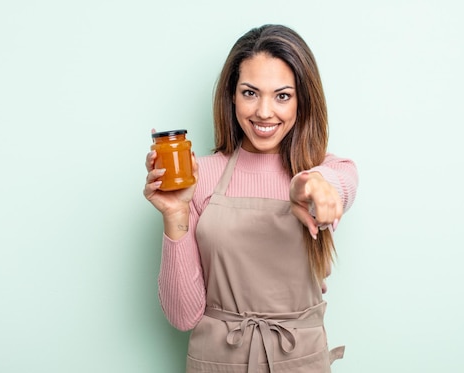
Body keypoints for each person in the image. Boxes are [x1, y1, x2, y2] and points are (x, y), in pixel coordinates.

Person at [143, 24, 358, 373]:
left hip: (299, 361)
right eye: (250, 93)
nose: (264, 112)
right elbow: (183, 316)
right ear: (232, 95)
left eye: (282, 96)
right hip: (217, 362)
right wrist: (175, 212)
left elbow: (340, 183)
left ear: (302, 101)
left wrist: (316, 186)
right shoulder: (201, 176)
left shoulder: (326, 171)